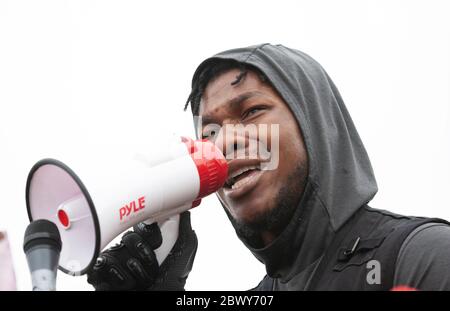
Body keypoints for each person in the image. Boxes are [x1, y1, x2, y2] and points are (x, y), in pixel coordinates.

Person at [87, 43, 450, 291]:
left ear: (315, 124)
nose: (223, 143)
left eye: (251, 112)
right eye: (209, 132)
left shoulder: (424, 256)